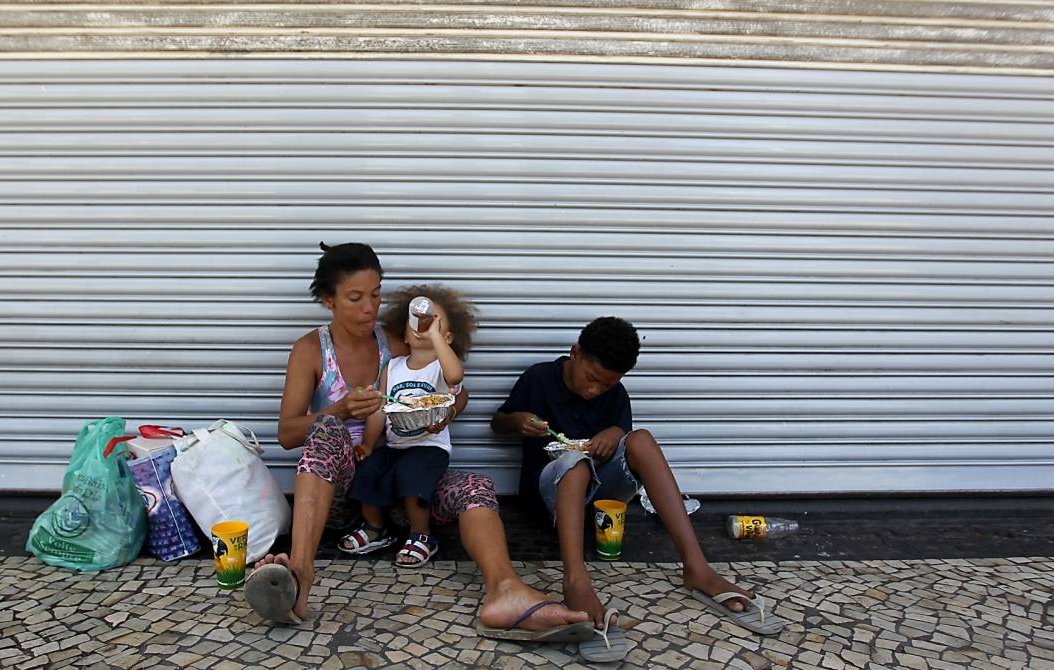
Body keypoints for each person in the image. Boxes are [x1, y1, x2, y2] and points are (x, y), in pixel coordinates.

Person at [245, 242, 592, 640]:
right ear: (328, 301)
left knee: (475, 486)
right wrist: (339, 411)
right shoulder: (310, 350)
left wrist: (448, 410)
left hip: (406, 483)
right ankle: (301, 575)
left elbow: (454, 388)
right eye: (355, 298)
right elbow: (287, 433)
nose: (368, 308)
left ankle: (506, 590)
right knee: (325, 433)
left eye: (375, 295)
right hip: (345, 494)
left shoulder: (394, 342)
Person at [491, 316, 785, 635]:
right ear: (575, 353)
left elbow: (626, 441)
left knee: (641, 438)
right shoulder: (539, 378)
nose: (595, 390)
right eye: (591, 378)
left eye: (606, 384)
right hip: (547, 496)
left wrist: (615, 433)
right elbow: (499, 422)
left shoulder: (615, 394)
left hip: (598, 502)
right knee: (574, 463)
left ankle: (696, 567)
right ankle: (575, 580)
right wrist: (516, 420)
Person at [341, 285, 476, 568]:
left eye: (436, 322)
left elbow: (456, 375)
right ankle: (376, 529)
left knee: (411, 475)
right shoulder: (394, 367)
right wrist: (367, 442)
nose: (425, 326)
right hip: (395, 444)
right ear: (405, 333)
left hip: (429, 446)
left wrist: (436, 338)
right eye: (416, 322)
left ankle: (422, 535)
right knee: (367, 473)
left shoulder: (442, 366)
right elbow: (381, 408)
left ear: (447, 336)